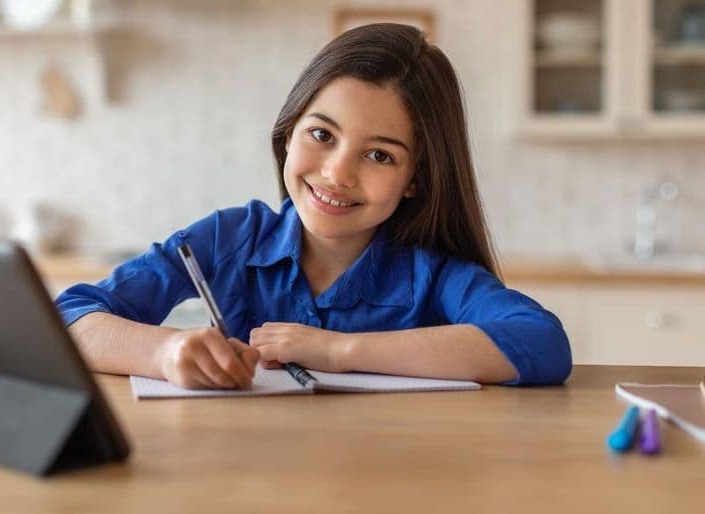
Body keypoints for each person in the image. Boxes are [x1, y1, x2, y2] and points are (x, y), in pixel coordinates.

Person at [55, 23, 572, 390]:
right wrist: (164, 353)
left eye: (378, 154)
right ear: (288, 134)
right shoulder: (228, 240)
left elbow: (541, 343)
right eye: (322, 134)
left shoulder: (432, 274)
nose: (337, 173)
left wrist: (337, 350)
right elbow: (70, 317)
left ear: (416, 179)